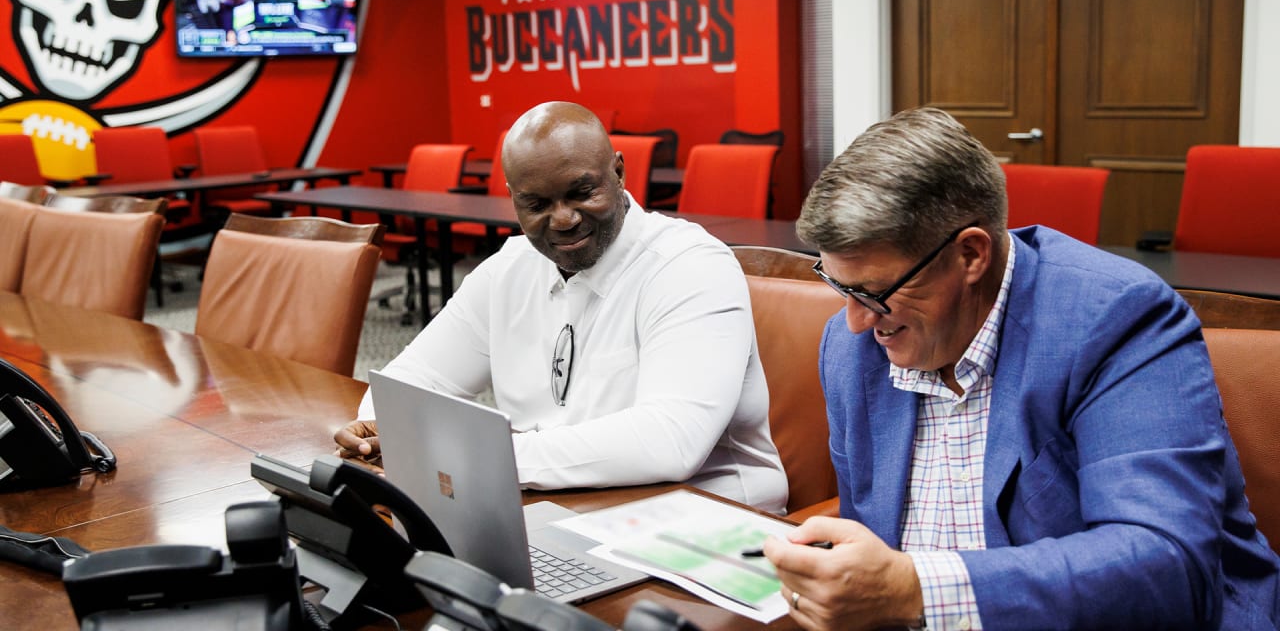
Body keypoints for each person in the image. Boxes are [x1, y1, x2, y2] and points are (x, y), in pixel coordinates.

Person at [766, 106, 1280, 630]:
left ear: (970, 255)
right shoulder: (852, 348)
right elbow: (870, 538)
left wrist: (914, 589)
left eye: (875, 293)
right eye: (841, 287)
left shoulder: (1117, 321)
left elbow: (1166, 566)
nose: (855, 322)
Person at [334, 101, 788, 513]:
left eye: (581, 192)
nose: (565, 219)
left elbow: (670, 441)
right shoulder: (508, 269)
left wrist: (484, 455)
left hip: (707, 525)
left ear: (619, 172)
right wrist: (379, 430)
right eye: (537, 204)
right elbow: (414, 379)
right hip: (562, 509)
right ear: (512, 197)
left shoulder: (688, 266)